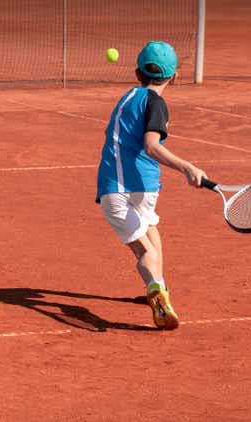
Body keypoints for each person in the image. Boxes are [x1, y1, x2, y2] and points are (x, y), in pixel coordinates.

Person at [95, 41, 207, 330]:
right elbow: (151, 146)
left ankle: (158, 289)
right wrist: (187, 167)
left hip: (114, 190)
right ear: (175, 77)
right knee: (149, 244)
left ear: (137, 73)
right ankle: (157, 287)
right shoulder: (156, 102)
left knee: (145, 241)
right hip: (142, 187)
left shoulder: (126, 97)